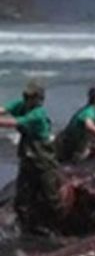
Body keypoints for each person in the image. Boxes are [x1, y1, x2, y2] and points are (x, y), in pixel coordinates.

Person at [0, 80, 59, 233]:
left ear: (38, 99)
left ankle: (54, 226)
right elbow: (3, 110)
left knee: (51, 196)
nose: (26, 99)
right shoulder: (22, 105)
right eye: (25, 96)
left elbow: (14, 122)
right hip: (28, 157)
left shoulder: (38, 114)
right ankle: (27, 227)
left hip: (43, 158)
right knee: (23, 196)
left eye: (30, 97)